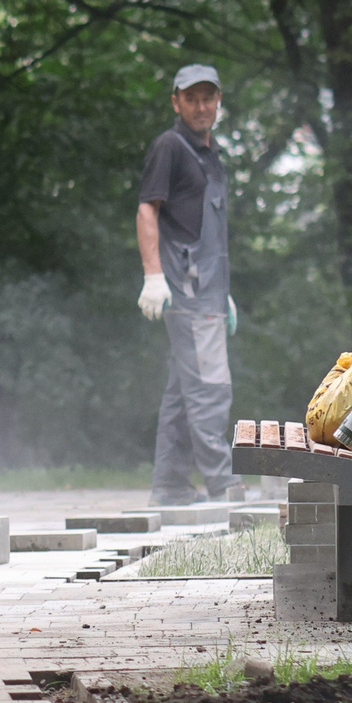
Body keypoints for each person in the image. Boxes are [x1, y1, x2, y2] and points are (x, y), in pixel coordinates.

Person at [137, 63, 235, 508]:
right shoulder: (170, 147)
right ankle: (222, 482)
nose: (200, 106)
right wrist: (153, 276)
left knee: (183, 392)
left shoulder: (210, 153)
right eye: (190, 98)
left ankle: (171, 486)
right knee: (210, 387)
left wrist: (224, 290)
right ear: (175, 101)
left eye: (207, 97)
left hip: (208, 290)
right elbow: (147, 211)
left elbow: (202, 228)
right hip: (186, 291)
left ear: (218, 101)